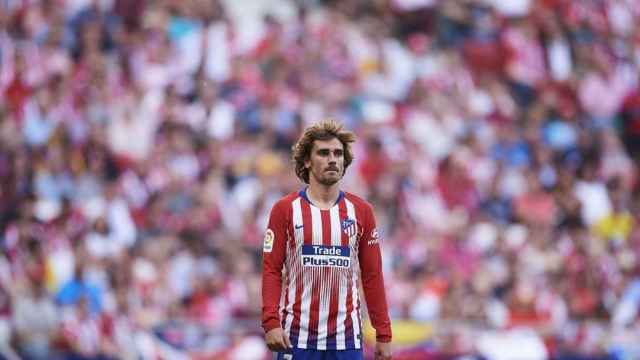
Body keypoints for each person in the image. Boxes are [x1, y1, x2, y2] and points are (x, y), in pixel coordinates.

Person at [262, 120, 392, 360]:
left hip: (346, 340)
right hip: (296, 338)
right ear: (308, 161)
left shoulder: (362, 211)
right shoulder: (285, 210)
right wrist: (271, 322)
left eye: (338, 153)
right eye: (324, 153)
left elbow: (372, 275)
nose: (333, 159)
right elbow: (271, 269)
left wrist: (383, 333)